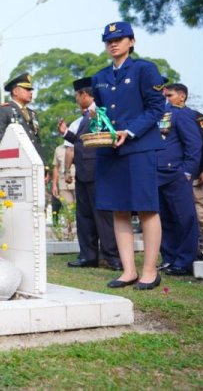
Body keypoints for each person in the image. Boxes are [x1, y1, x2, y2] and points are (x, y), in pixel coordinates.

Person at [92, 21, 165, 290]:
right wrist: (98, 132)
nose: (113, 43)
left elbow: (157, 107)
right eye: (108, 40)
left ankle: (149, 271)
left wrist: (130, 131)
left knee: (147, 208)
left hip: (139, 147)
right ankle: (128, 271)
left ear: (131, 42)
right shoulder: (99, 77)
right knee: (118, 208)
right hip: (110, 150)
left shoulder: (145, 69)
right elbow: (101, 114)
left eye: (120, 38)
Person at [58, 77, 120, 270]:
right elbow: (83, 141)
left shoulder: (99, 112)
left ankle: (112, 257)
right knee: (84, 217)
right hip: (83, 173)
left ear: (84, 94)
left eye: (77, 96)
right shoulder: (87, 115)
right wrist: (66, 134)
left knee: (103, 216)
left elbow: (103, 138)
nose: (77, 99)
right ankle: (88, 256)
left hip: (98, 172)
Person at [157, 84, 202, 275]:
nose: (166, 97)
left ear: (182, 97)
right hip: (158, 173)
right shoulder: (162, 114)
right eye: (165, 94)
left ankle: (184, 261)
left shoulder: (183, 114)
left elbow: (194, 144)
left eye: (170, 94)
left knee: (184, 218)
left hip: (176, 173)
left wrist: (187, 171)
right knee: (164, 219)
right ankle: (169, 258)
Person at [0, 73, 42, 158]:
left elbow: (37, 141)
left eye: (31, 90)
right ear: (15, 91)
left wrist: (43, 163)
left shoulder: (32, 114)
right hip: (15, 160)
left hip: (34, 160)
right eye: (27, 89)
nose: (30, 92)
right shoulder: (4, 110)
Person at [51, 143, 75, 228]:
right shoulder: (58, 149)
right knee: (67, 208)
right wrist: (54, 185)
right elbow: (55, 167)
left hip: (78, 182)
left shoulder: (79, 145)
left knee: (81, 208)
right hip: (63, 184)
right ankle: (69, 231)